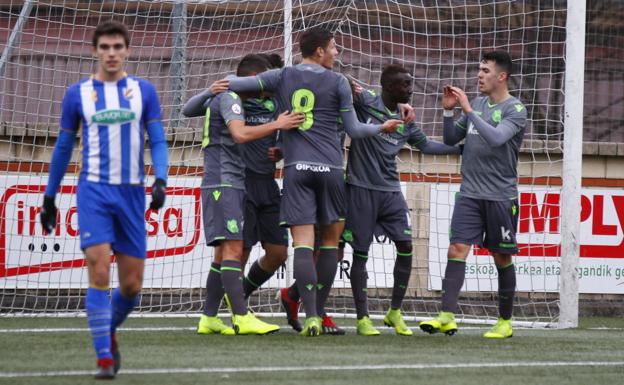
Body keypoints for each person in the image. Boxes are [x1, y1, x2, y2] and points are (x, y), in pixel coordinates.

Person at [219, 27, 403, 336]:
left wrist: (218, 88)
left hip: (296, 169)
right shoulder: (338, 82)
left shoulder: (283, 75)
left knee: (303, 245)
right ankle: (315, 313)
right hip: (330, 170)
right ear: (319, 51)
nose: (337, 53)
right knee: (330, 244)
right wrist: (381, 128)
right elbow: (356, 130)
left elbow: (235, 84)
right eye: (333, 47)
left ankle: (314, 319)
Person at [39, 21, 169, 379]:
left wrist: (161, 178)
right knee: (98, 268)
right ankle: (104, 359)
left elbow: (157, 139)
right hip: (93, 191)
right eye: (105, 47)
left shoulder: (143, 91)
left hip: (130, 193)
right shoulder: (77, 94)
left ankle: (106, 328)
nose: (111, 53)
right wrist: (49, 197)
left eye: (117, 47)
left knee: (132, 287)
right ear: (95, 51)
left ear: (127, 51)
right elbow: (64, 146)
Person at [184, 54, 304, 335]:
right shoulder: (229, 98)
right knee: (234, 251)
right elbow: (235, 132)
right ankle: (240, 314)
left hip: (249, 182)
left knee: (249, 252)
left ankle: (211, 316)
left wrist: (281, 147)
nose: (266, 85)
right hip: (228, 182)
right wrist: (277, 125)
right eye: (262, 80)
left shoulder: (266, 101)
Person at [343, 64, 462, 336]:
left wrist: (462, 149)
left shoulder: (406, 118)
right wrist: (353, 85)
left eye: (410, 84)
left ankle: (394, 312)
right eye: (404, 85)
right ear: (387, 86)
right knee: (361, 254)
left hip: (391, 192)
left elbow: (426, 145)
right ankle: (362, 318)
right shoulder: (367, 101)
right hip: (361, 189)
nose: (410, 89)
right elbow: (341, 78)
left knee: (406, 246)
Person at [419, 50, 527, 339]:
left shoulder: (515, 110)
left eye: (485, 71)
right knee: (456, 249)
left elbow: (495, 139)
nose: (479, 75)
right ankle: (446, 315)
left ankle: (504, 322)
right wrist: (448, 111)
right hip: (469, 193)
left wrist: (467, 111)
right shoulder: (477, 103)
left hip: (500, 197)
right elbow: (452, 139)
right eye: (479, 70)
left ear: (501, 77)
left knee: (501, 258)